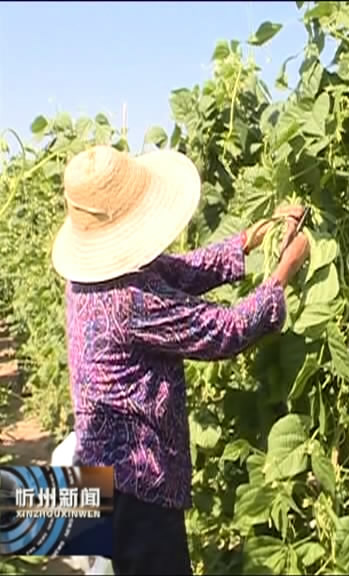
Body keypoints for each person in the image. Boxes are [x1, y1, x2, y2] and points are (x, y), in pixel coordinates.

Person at [50, 145, 310, 575]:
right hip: (136, 487)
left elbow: (178, 270)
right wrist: (283, 272)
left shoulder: (88, 276)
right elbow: (225, 331)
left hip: (98, 468)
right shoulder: (129, 300)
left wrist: (252, 237)